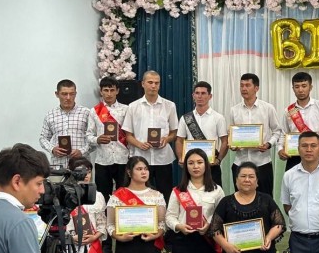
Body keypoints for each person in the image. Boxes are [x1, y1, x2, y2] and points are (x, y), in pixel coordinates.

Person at [122, 70, 178, 202]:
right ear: (143, 84)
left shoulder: (170, 106)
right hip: (141, 159)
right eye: (150, 82)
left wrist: (166, 139)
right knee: (141, 195)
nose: (153, 86)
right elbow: (128, 135)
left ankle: (164, 216)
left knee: (166, 195)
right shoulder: (133, 107)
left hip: (163, 159)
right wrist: (139, 144)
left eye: (157, 83)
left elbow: (174, 133)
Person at [228, 73, 281, 196]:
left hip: (262, 163)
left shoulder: (268, 108)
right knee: (241, 200)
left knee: (265, 200)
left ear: (256, 88)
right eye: (241, 85)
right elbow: (231, 134)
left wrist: (268, 144)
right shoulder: (234, 110)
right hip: (239, 163)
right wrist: (232, 145)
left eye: (247, 85)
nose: (243, 88)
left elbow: (277, 131)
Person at [278, 72, 319, 172]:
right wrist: (280, 149)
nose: (300, 90)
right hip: (294, 155)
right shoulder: (289, 110)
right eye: (297, 87)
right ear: (293, 89)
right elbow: (283, 134)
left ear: (310, 87)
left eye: (304, 86)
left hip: (317, 153)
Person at [175, 81, 228, 187]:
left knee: (214, 193)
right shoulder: (185, 118)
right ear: (193, 95)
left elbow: (225, 141)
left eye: (203, 93)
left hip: (211, 165)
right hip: (192, 165)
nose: (200, 96)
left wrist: (219, 160)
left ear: (210, 96)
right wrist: (181, 158)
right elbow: (179, 141)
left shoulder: (218, 118)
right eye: (197, 93)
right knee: (191, 193)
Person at [86, 76, 129, 203]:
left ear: (117, 91)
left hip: (123, 158)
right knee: (102, 196)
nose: (109, 94)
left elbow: (131, 133)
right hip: (103, 160)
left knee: (124, 195)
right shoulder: (94, 111)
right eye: (106, 90)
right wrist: (97, 139)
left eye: (112, 90)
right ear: (101, 91)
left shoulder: (126, 109)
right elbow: (88, 135)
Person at [39, 79, 92, 168]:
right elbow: (43, 138)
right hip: (58, 165)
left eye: (72, 94)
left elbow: (94, 138)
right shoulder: (50, 115)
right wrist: (52, 149)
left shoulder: (87, 113)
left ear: (75, 94)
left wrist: (82, 151)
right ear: (57, 94)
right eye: (64, 94)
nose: (68, 97)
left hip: (81, 164)